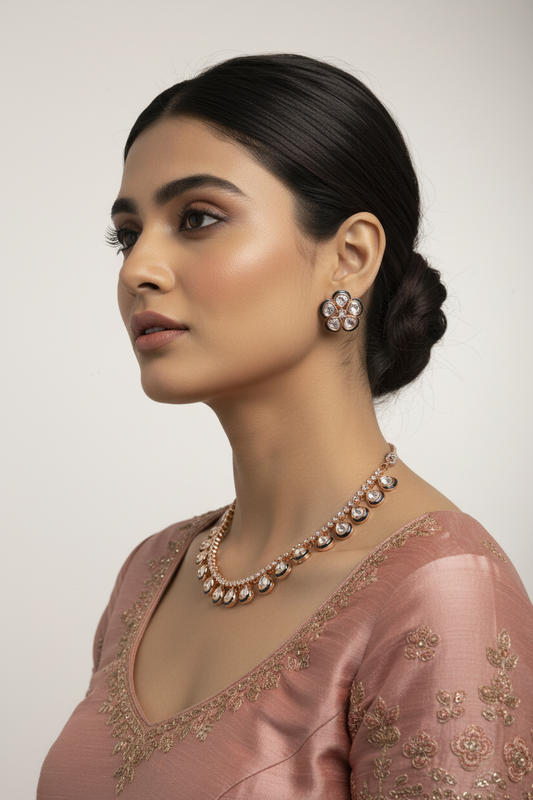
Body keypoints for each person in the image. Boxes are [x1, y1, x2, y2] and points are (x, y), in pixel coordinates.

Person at [37, 54, 533, 799]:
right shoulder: (152, 572)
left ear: (350, 256)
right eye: (126, 234)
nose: (139, 267)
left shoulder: (442, 589)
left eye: (196, 218)